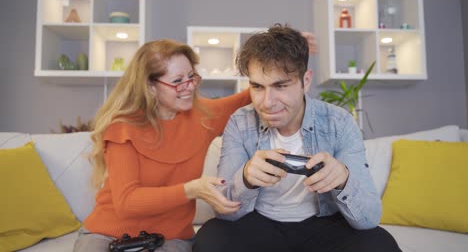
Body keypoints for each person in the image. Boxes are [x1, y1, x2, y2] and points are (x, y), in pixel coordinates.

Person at [73, 35, 316, 251]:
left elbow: (254, 92)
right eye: (178, 81)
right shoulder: (123, 127)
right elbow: (127, 203)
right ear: (150, 86)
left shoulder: (203, 116)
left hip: (169, 238)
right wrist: (192, 189)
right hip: (106, 233)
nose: (189, 87)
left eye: (192, 77)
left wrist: (284, 53)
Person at [193, 24, 401, 252]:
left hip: (324, 225)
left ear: (306, 81)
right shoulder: (240, 122)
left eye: (280, 85)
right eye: (257, 87)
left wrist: (343, 179)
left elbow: (368, 220)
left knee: (380, 244)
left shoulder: (338, 122)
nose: (267, 102)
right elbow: (225, 215)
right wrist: (245, 179)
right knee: (210, 239)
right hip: (259, 224)